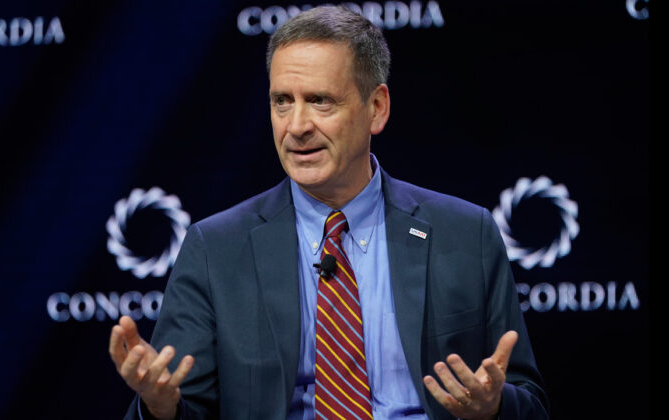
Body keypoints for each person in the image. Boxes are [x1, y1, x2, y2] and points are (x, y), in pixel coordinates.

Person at [109, 5, 549, 420]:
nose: (296, 126)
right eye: (282, 101)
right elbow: (184, 406)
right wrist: (160, 408)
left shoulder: (465, 234)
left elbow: (529, 403)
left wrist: (492, 407)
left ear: (376, 108)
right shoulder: (216, 249)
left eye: (320, 101)